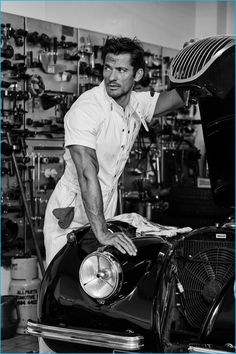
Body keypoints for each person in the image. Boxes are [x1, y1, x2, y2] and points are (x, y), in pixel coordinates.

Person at [43, 36, 185, 267]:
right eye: (108, 68)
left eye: (121, 70)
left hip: (103, 213)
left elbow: (174, 100)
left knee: (101, 288)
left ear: (137, 75)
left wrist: (195, 72)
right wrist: (102, 232)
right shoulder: (87, 110)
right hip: (72, 215)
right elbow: (87, 172)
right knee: (64, 288)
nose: (111, 77)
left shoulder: (136, 103)